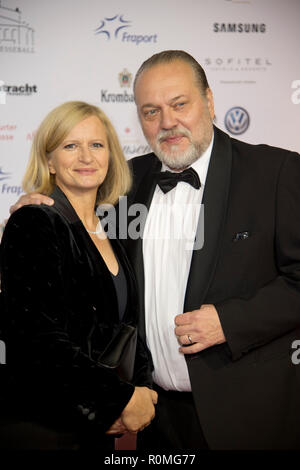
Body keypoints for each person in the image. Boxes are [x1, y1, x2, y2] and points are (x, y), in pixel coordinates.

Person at [9, 50, 300, 450]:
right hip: (155, 419)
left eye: (180, 104)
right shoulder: (127, 183)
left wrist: (231, 322)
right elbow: (70, 252)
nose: (167, 122)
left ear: (210, 101)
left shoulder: (276, 172)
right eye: (150, 111)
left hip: (247, 415)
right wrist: (35, 205)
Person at [0, 101, 157, 450]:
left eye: (96, 145)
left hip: (93, 424)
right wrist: (118, 398)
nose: (86, 156)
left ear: (111, 156)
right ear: (50, 161)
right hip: (43, 426)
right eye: (70, 146)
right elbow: (36, 338)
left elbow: (123, 329)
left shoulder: (109, 230)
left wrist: (142, 389)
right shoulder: (35, 221)